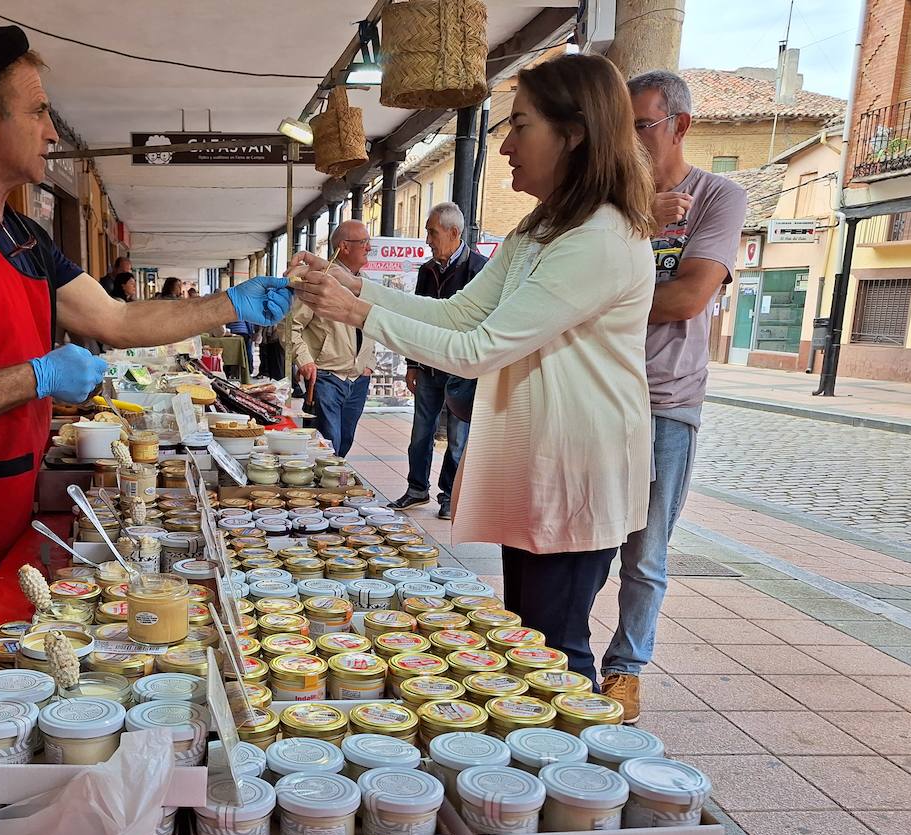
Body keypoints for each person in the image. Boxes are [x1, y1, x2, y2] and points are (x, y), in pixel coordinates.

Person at [0, 26, 292, 687]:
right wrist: (40, 374)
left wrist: (226, 306)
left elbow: (116, 318)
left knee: (7, 661)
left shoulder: (20, 233)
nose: (51, 132)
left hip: (8, 501)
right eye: (37, 111)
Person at [291, 53, 658, 682]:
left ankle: (570, 770)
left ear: (574, 134)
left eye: (521, 126)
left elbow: (479, 347)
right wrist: (356, 287)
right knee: (530, 638)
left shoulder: (599, 238)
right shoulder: (541, 230)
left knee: (554, 650)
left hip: (576, 465)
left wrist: (357, 312)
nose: (508, 145)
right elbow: (458, 314)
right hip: (542, 457)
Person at [599, 71, 749, 722]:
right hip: (597, 396)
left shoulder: (718, 196)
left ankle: (625, 672)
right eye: (620, 127)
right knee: (579, 538)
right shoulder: (609, 200)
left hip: (665, 402)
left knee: (646, 550)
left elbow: (691, 296)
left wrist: (603, 301)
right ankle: (563, 657)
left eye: (641, 125)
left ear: (679, 126)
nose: (628, 141)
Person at [389, 201, 489, 519]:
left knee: (458, 438)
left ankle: (449, 495)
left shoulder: (480, 269)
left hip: (462, 368)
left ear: (453, 232)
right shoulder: (427, 271)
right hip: (429, 366)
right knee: (421, 431)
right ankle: (417, 489)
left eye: (432, 233)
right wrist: (412, 364)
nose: (428, 240)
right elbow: (416, 319)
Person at [290, 220, 375, 457]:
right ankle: (323, 491)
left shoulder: (366, 285)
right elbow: (289, 326)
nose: (369, 248)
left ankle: (332, 488)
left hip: (358, 378)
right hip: (327, 376)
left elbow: (372, 325)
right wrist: (304, 360)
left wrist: (370, 363)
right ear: (344, 247)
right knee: (326, 445)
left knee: (345, 442)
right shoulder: (318, 280)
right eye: (364, 243)